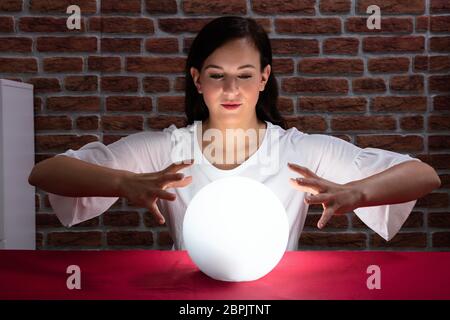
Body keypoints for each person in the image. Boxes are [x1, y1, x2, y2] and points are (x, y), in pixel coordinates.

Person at [28, 16, 441, 250]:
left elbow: (424, 175)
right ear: (197, 79)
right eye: (217, 75)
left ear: (263, 79)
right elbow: (46, 172)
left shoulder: (297, 151)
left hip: (278, 294)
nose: (230, 90)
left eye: (244, 76)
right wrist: (125, 181)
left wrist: (358, 192)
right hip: (189, 300)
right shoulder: (169, 149)